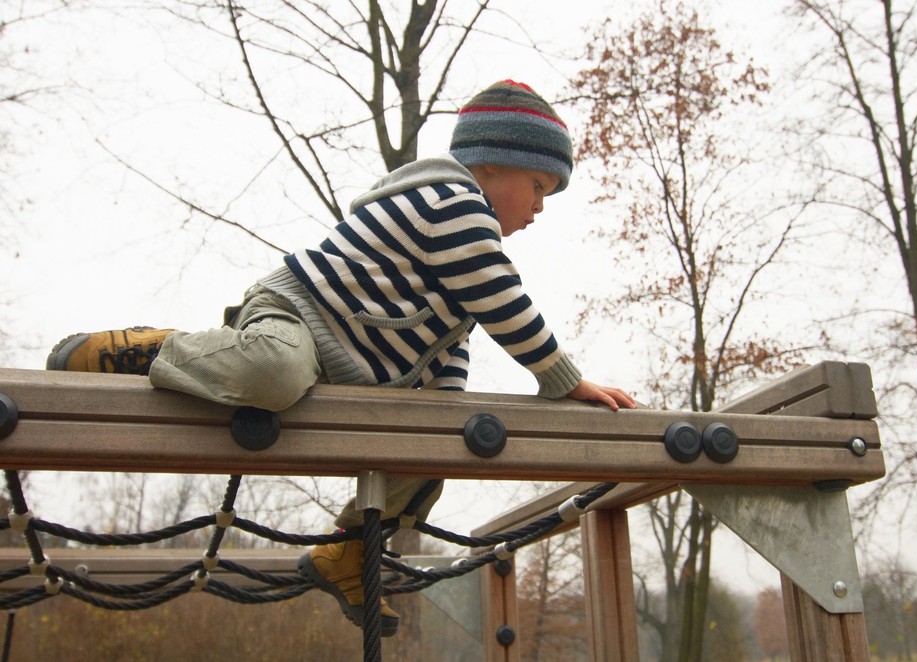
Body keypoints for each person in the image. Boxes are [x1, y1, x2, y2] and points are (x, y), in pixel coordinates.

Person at [47, 79, 636, 636]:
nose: (540, 207)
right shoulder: (452, 202)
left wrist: (442, 427)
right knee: (274, 372)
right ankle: (139, 351)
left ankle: (350, 551)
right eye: (538, 186)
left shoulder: (465, 247)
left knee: (443, 439)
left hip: (353, 368)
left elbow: (447, 349)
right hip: (296, 313)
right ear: (492, 161)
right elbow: (501, 298)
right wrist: (563, 379)